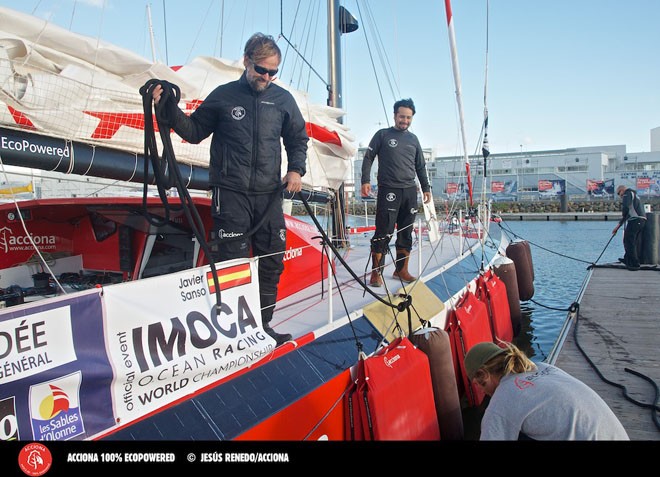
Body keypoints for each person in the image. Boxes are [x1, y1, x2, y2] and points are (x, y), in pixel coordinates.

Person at [151, 33, 308, 347]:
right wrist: (166, 108)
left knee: (272, 260)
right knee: (233, 264)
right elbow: (194, 131)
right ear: (246, 61)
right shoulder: (224, 96)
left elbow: (297, 138)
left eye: (273, 72)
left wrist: (296, 169)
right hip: (231, 193)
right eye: (261, 69)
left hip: (268, 196)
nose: (266, 77)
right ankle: (235, 331)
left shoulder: (282, 101)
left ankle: (262, 326)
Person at [464, 341, 629, 440]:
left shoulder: (502, 399)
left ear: (484, 375)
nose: (479, 390)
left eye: (476, 383)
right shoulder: (543, 368)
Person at [360, 98, 432, 287]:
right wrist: (365, 180)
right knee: (384, 231)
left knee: (406, 232)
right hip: (388, 190)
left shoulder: (413, 139)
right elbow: (368, 157)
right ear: (395, 115)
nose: (405, 121)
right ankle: (376, 273)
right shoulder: (382, 135)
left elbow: (420, 166)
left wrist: (426, 188)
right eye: (402, 116)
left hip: (409, 192)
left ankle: (401, 270)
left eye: (408, 118)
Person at [612, 185, 646, 271]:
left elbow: (626, 208)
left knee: (629, 241)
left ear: (622, 190)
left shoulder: (627, 193)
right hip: (639, 220)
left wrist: (621, 219)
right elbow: (629, 212)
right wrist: (618, 226)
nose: (620, 196)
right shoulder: (634, 194)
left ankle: (634, 263)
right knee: (630, 240)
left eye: (619, 194)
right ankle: (627, 258)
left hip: (635, 220)